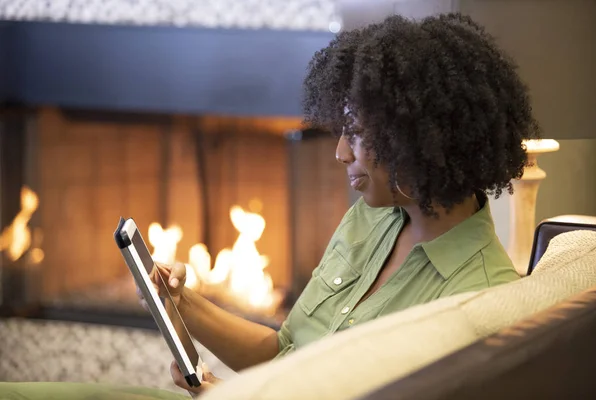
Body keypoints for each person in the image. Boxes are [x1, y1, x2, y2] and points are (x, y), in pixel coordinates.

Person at [0, 12, 539, 400]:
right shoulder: (372, 218)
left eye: (355, 132)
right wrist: (180, 303)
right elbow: (286, 353)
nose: (338, 151)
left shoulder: (478, 299)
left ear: (420, 138)